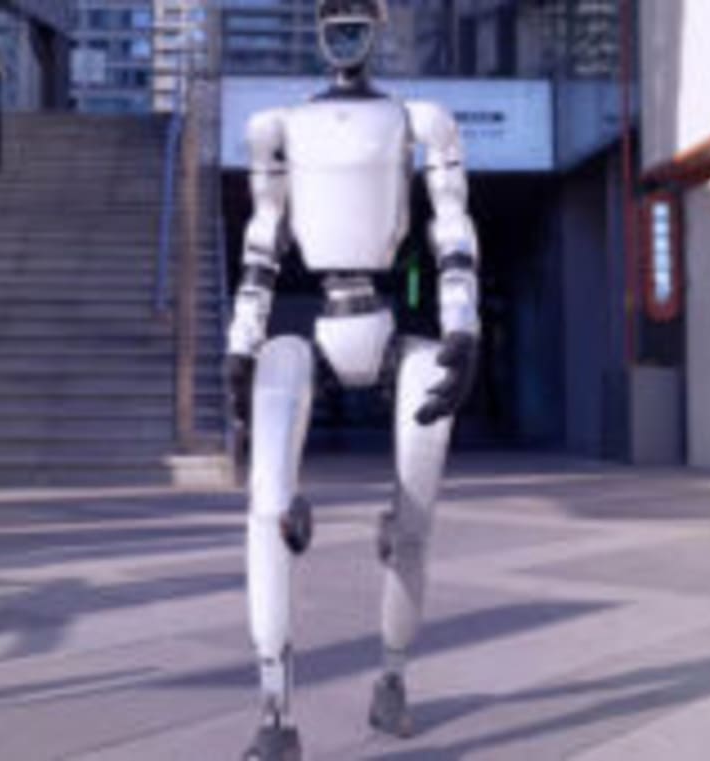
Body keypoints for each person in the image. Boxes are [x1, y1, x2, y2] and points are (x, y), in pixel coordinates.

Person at [224, 0, 482, 757]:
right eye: (330, 9)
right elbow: (262, 245)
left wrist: (463, 327)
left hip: (391, 325)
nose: (344, 23)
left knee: (414, 517)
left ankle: (392, 680)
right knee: (266, 503)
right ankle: (276, 713)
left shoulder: (421, 120)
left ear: (380, 22)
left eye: (358, 9)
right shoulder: (278, 127)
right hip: (315, 325)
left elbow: (452, 229)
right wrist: (242, 344)